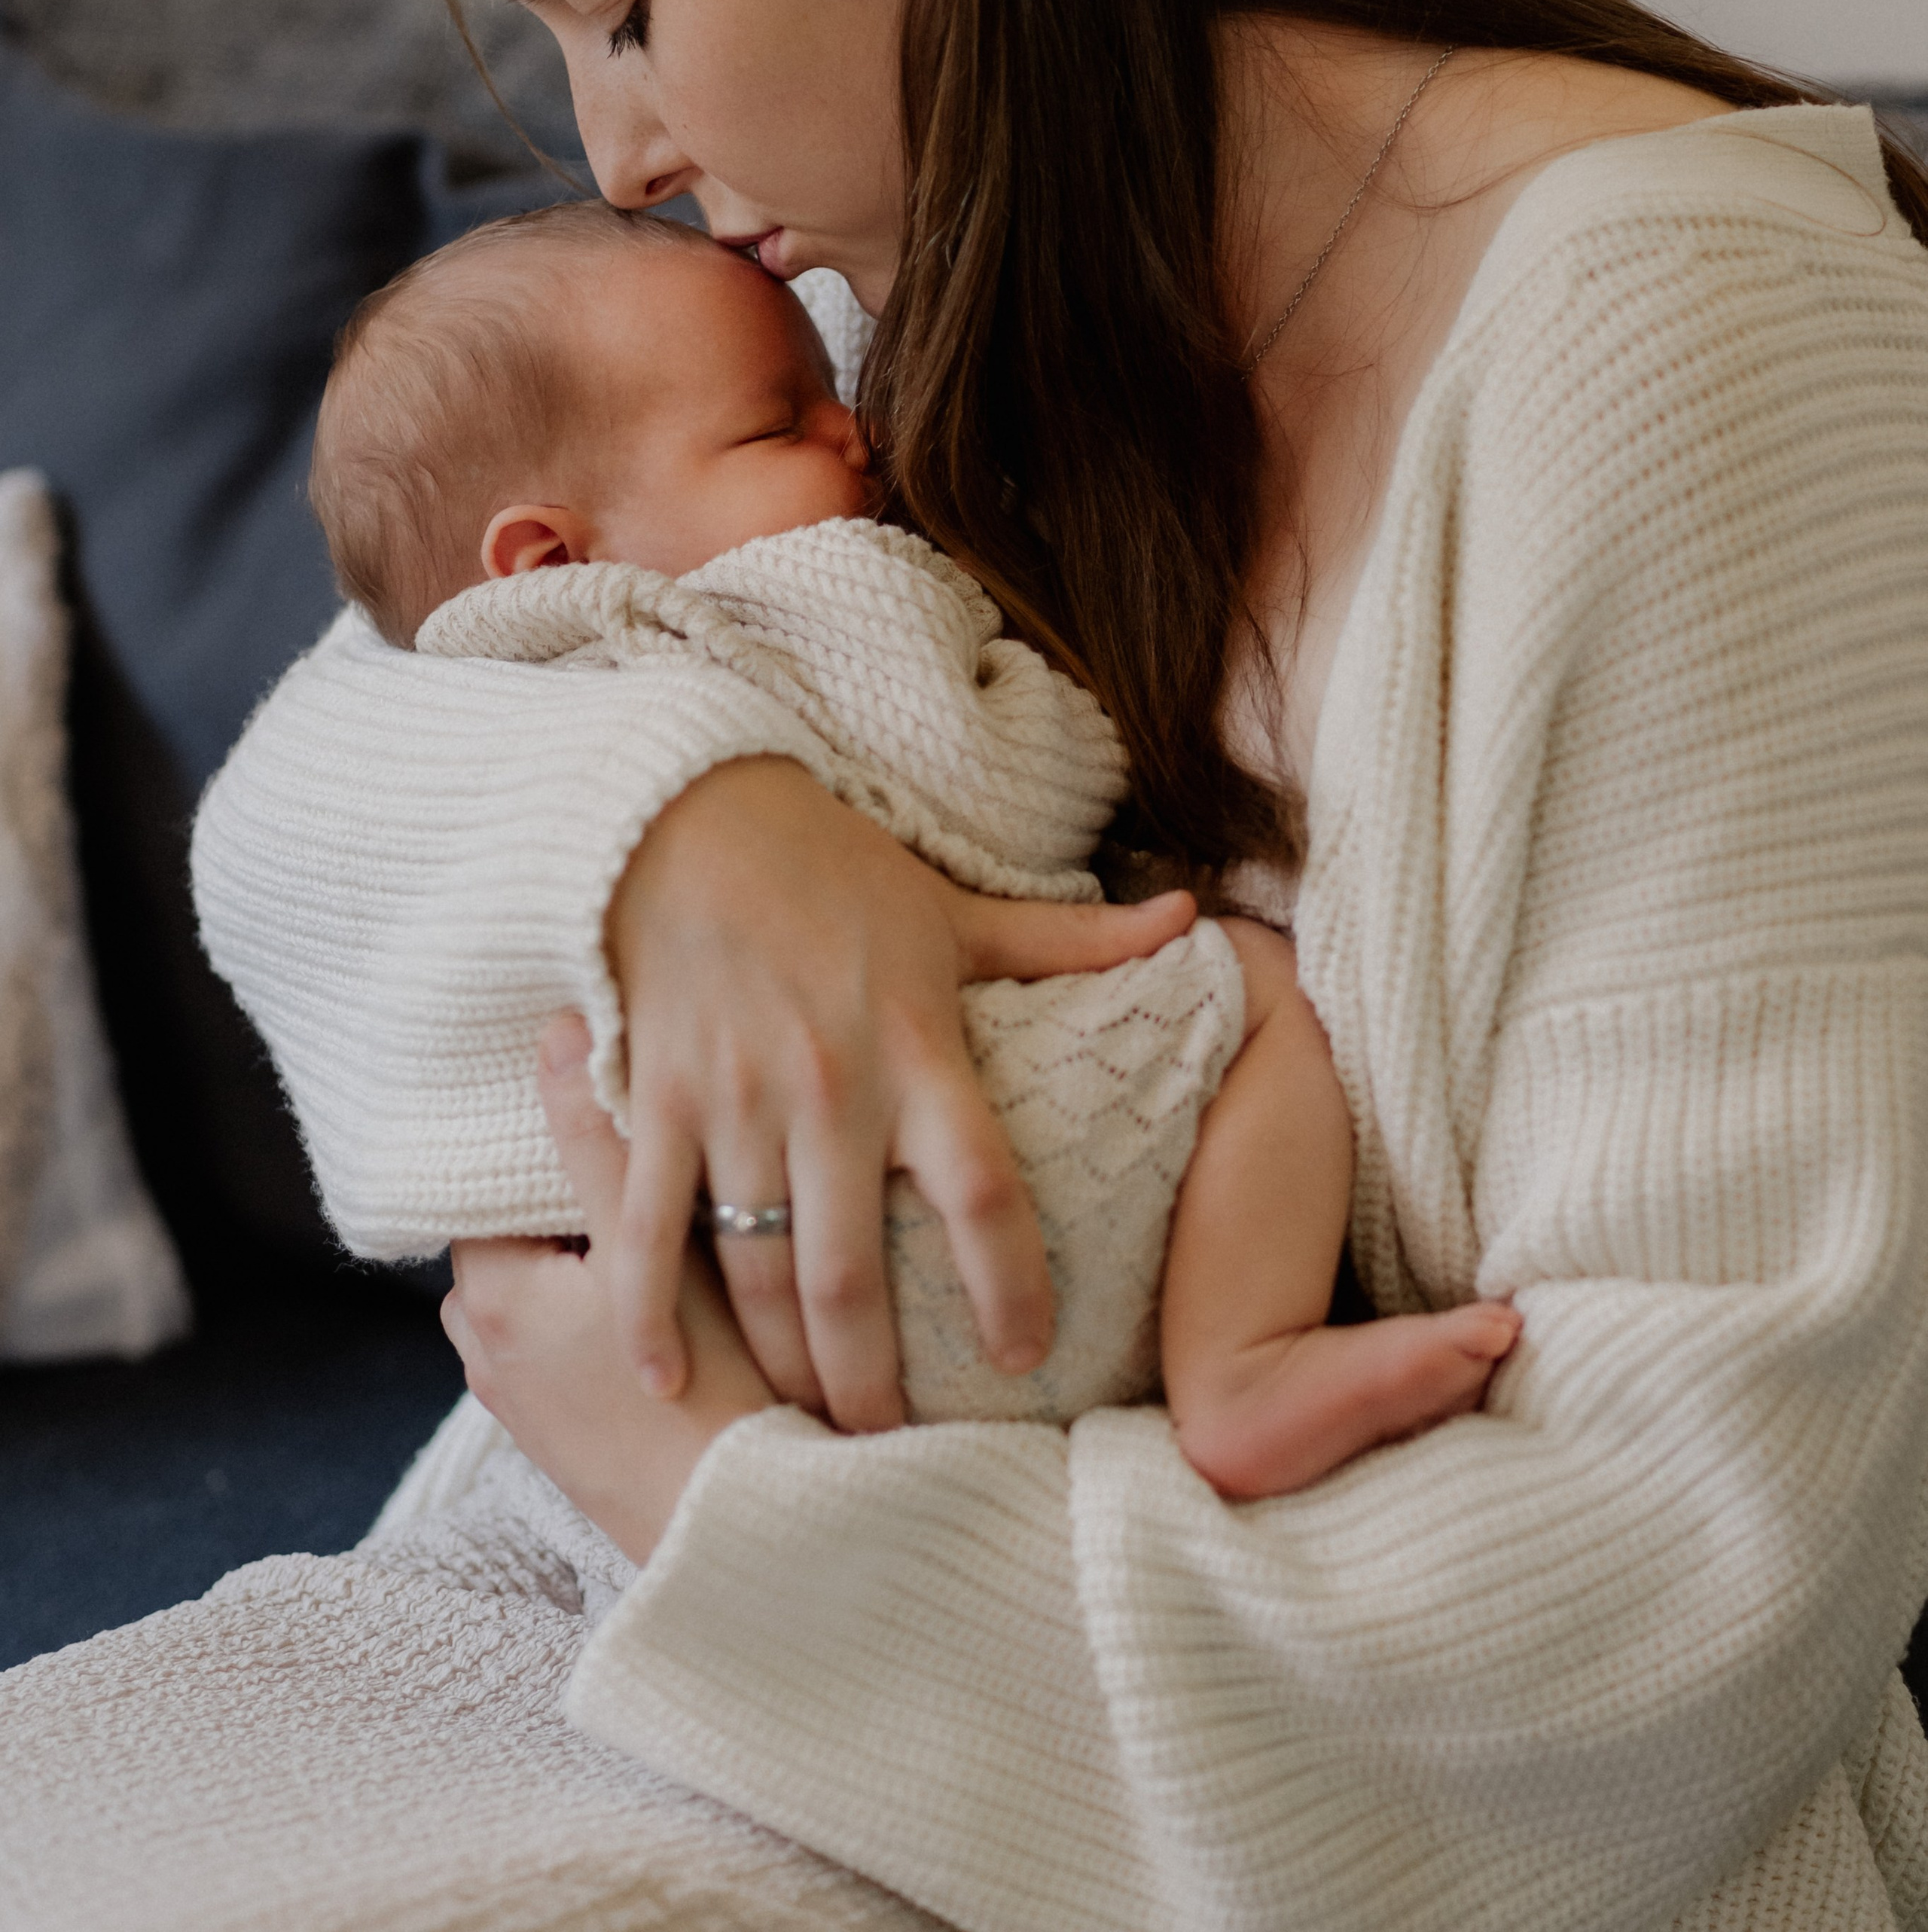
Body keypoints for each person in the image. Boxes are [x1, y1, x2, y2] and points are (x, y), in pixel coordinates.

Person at [178, 0, 1928, 1931]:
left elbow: (1676, 1603)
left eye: (623, 6)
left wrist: (718, 1518)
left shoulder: (1690, 347)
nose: (616, 150)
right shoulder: (925, 317)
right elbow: (311, 793)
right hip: (661, 1633)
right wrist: (699, 833)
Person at [290, 194, 1521, 1491]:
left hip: (678, 1302)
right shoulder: (792, 598)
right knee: (1258, 984)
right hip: (953, 1176)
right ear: (546, 555)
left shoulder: (471, 693)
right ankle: (1242, 1362)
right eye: (785, 423)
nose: (858, 431)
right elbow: (1002, 792)